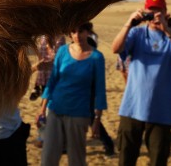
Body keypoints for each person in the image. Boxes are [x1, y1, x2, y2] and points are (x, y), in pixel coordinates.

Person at [112, 0, 171, 166]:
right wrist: (129, 23)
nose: (155, 14)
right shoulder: (136, 33)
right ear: (145, 11)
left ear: (165, 12)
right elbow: (116, 48)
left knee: (158, 158)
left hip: (162, 110)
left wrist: (167, 30)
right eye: (151, 10)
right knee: (126, 157)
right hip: (133, 107)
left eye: (159, 10)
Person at [37, 22, 107, 166]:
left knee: (76, 158)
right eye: (73, 31)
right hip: (55, 110)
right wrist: (43, 109)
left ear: (88, 32)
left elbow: (100, 90)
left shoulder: (96, 57)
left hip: (79, 114)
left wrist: (97, 120)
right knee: (48, 157)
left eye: (81, 31)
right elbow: (53, 80)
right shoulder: (63, 51)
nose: (77, 35)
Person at [84, 21, 115, 156]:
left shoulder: (92, 38)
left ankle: (108, 144)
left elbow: (92, 49)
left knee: (91, 116)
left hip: (89, 74)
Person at [29, 34, 66, 101]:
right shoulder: (42, 37)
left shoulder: (59, 37)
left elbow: (59, 56)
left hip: (53, 72)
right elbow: (40, 55)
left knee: (52, 97)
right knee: (46, 95)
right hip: (44, 73)